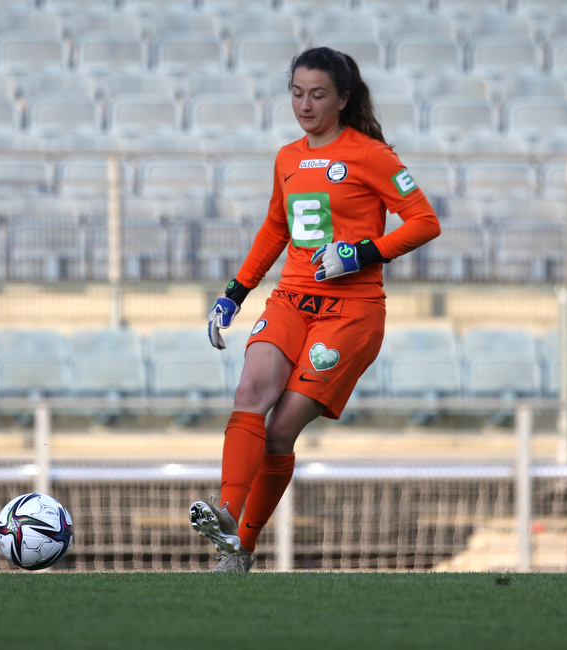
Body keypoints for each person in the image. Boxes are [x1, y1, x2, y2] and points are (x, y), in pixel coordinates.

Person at [189, 47, 441, 572]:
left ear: (343, 99)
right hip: (291, 298)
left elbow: (424, 221)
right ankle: (228, 515)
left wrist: (361, 251)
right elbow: (277, 229)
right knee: (249, 391)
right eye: (297, 92)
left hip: (351, 312)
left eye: (318, 94)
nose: (304, 104)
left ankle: (244, 547)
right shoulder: (286, 157)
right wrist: (235, 292)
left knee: (280, 431)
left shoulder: (371, 155)